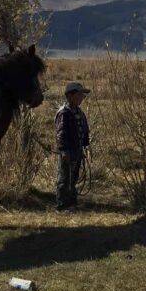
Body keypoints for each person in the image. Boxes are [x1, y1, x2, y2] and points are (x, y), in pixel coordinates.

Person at [54, 82, 91, 210]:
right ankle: (62, 204)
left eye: (82, 95)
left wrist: (84, 146)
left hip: (77, 149)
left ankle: (72, 201)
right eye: (80, 94)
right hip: (67, 150)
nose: (82, 97)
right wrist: (63, 151)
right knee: (64, 177)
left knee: (74, 176)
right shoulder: (64, 112)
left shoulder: (78, 111)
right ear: (70, 96)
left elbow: (84, 130)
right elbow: (61, 133)